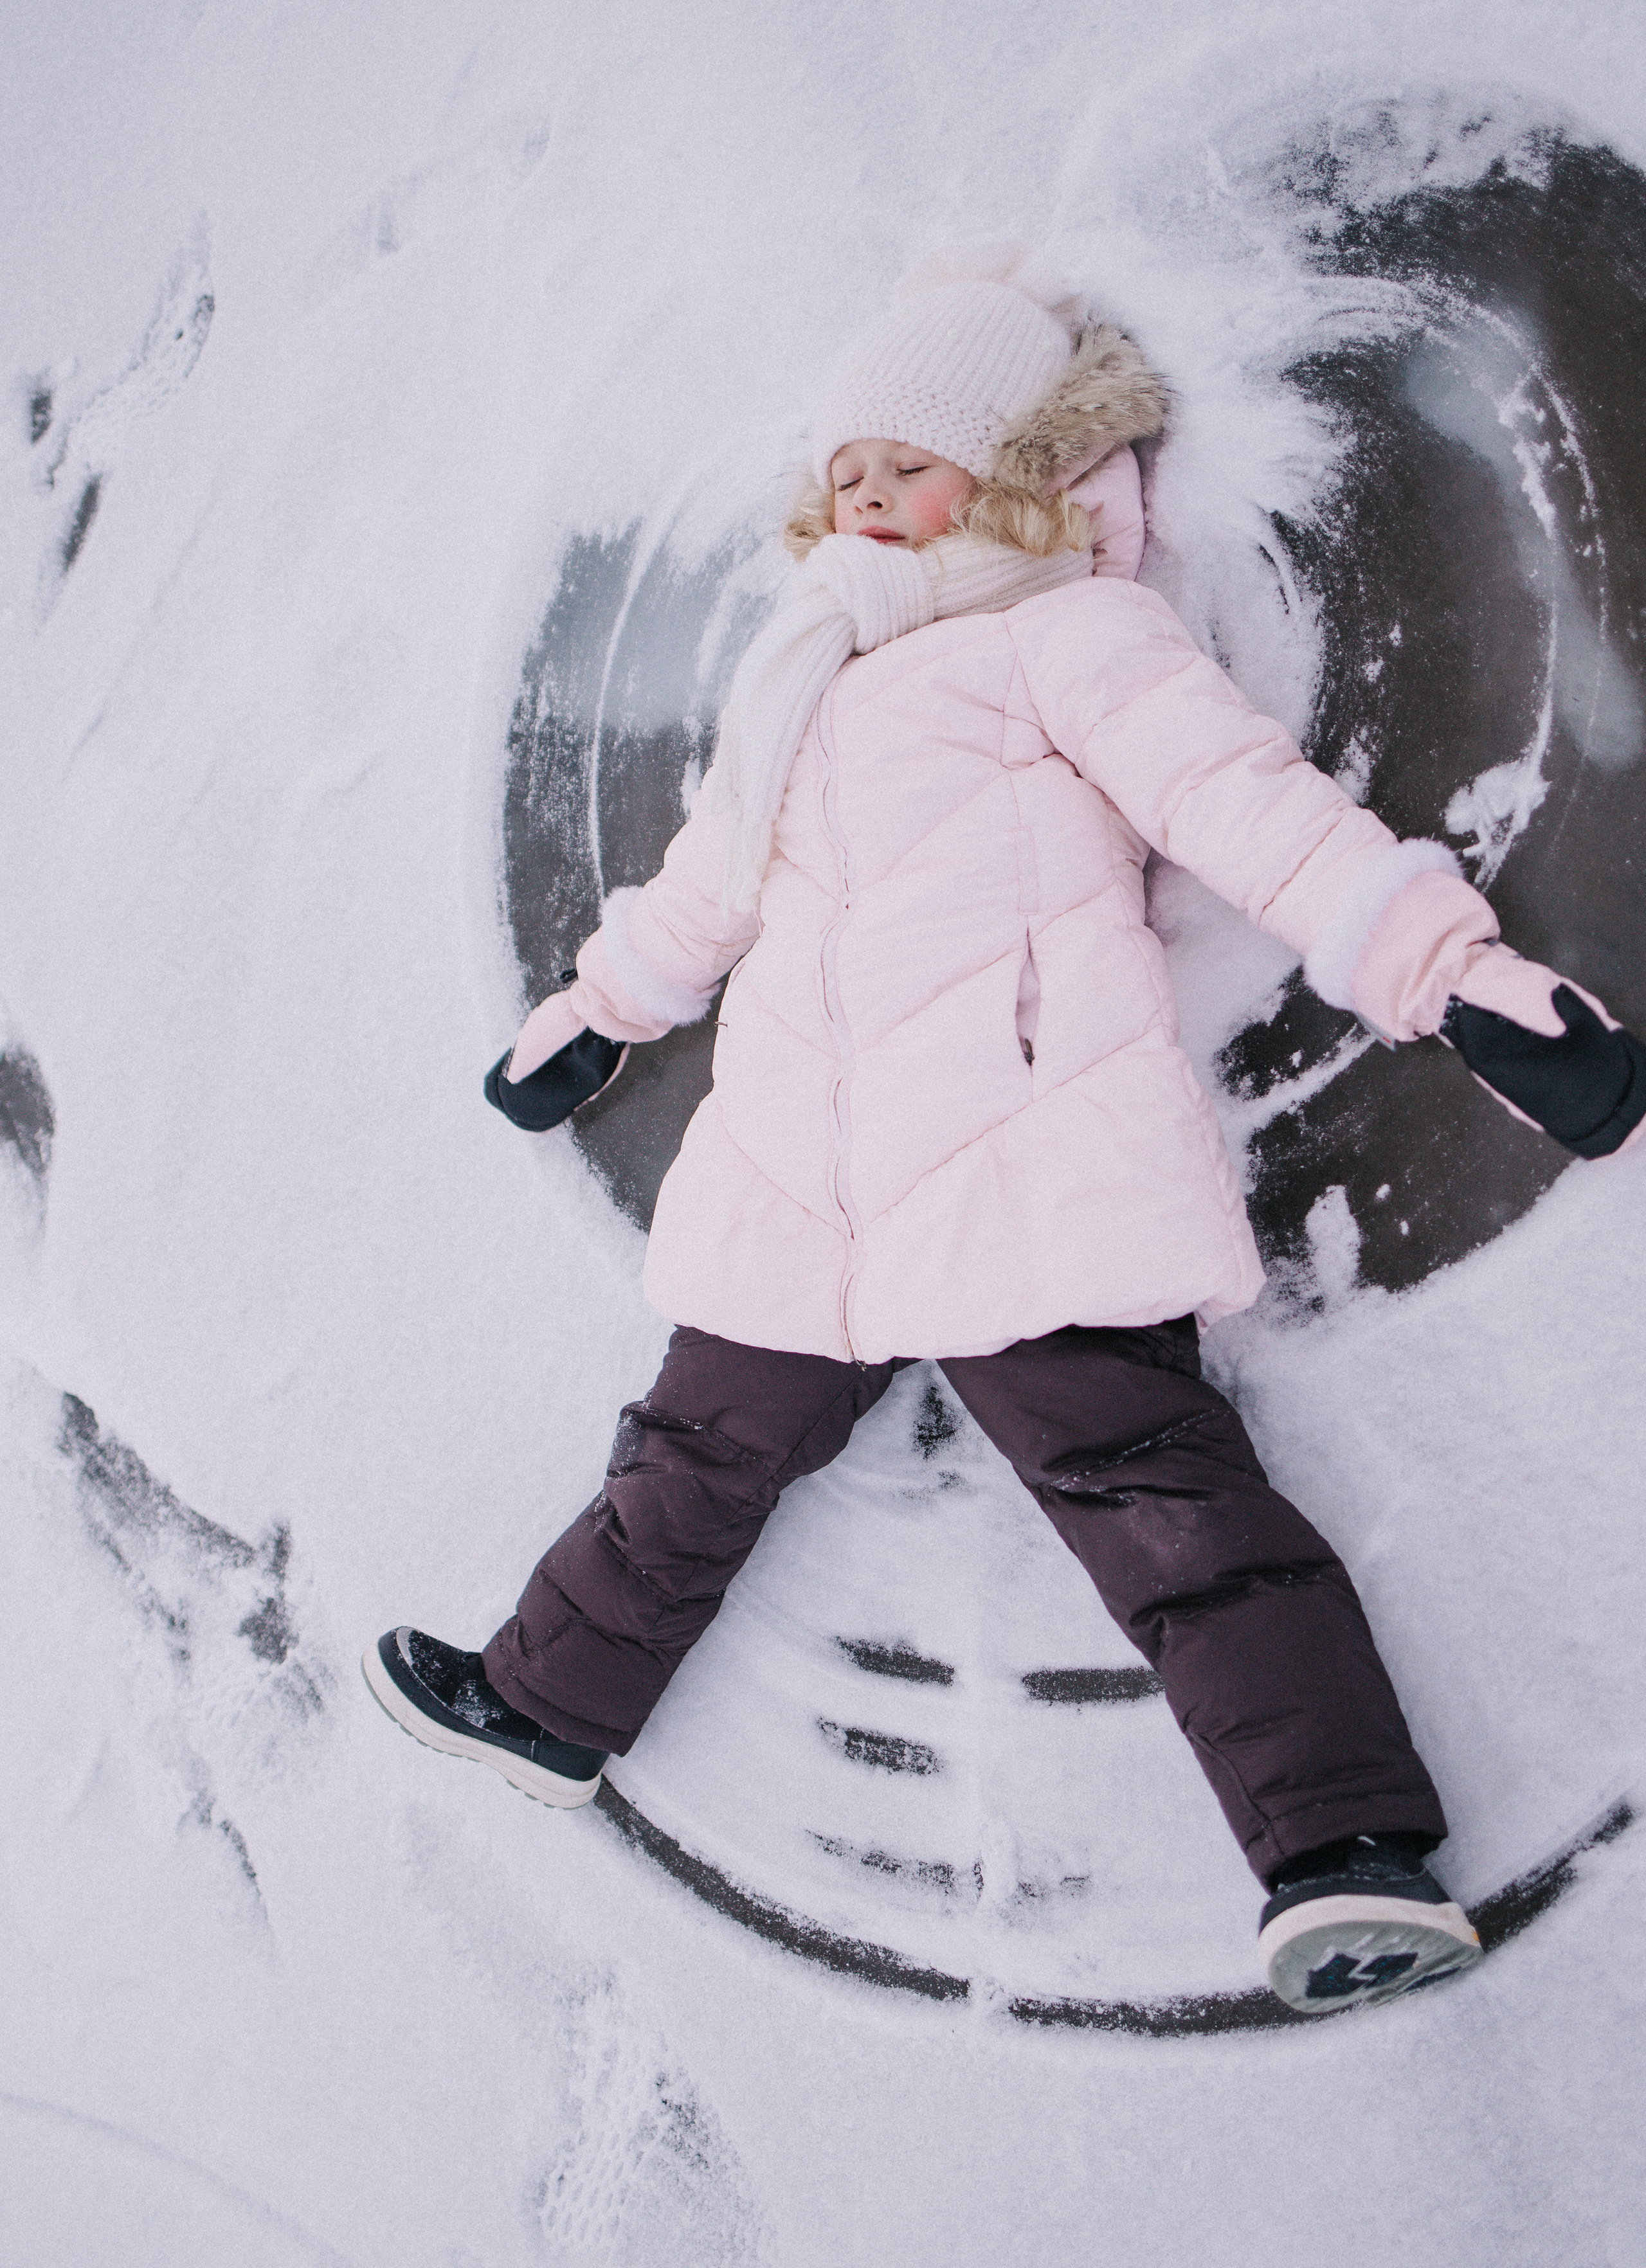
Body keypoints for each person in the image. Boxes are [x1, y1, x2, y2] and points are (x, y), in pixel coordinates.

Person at [365, 243, 1645, 2014]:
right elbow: (704, 892)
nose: (870, 493)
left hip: (1025, 1153)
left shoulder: (1070, 637)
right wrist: (594, 1020)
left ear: (1026, 474)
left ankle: (1344, 1855)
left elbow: (1254, 814)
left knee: (1167, 1504)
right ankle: (544, 1704)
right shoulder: (798, 682)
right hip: (806, 1179)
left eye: (913, 461)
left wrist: (1455, 976)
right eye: (848, 472)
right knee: (688, 1460)